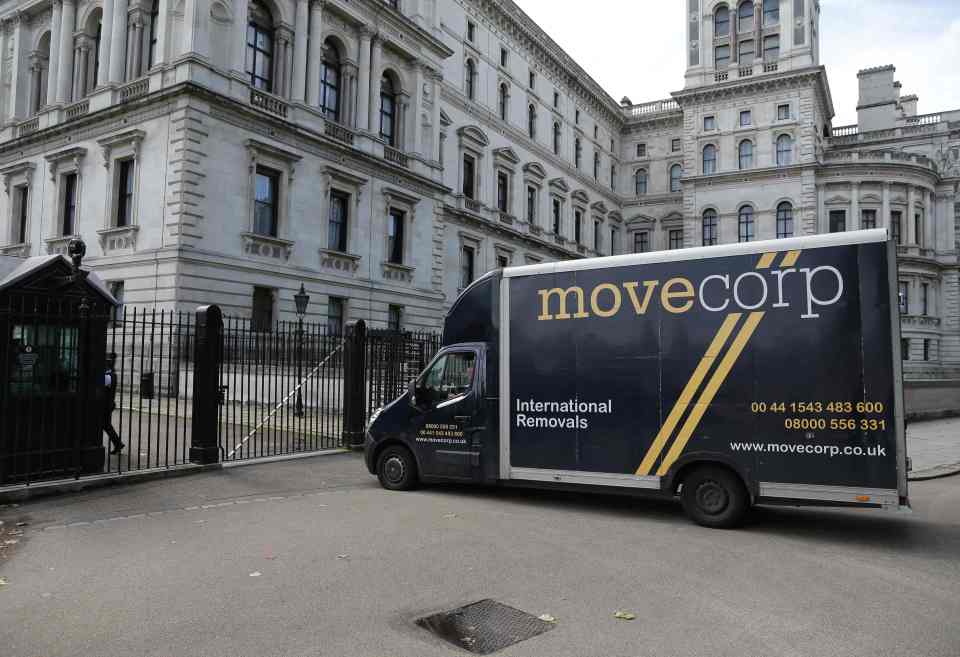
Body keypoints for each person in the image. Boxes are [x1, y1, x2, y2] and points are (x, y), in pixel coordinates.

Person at [104, 353, 124, 455]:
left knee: (106, 425)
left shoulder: (109, 376)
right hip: (107, 404)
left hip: (106, 405)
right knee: (106, 425)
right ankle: (118, 444)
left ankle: (118, 444)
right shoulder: (110, 374)